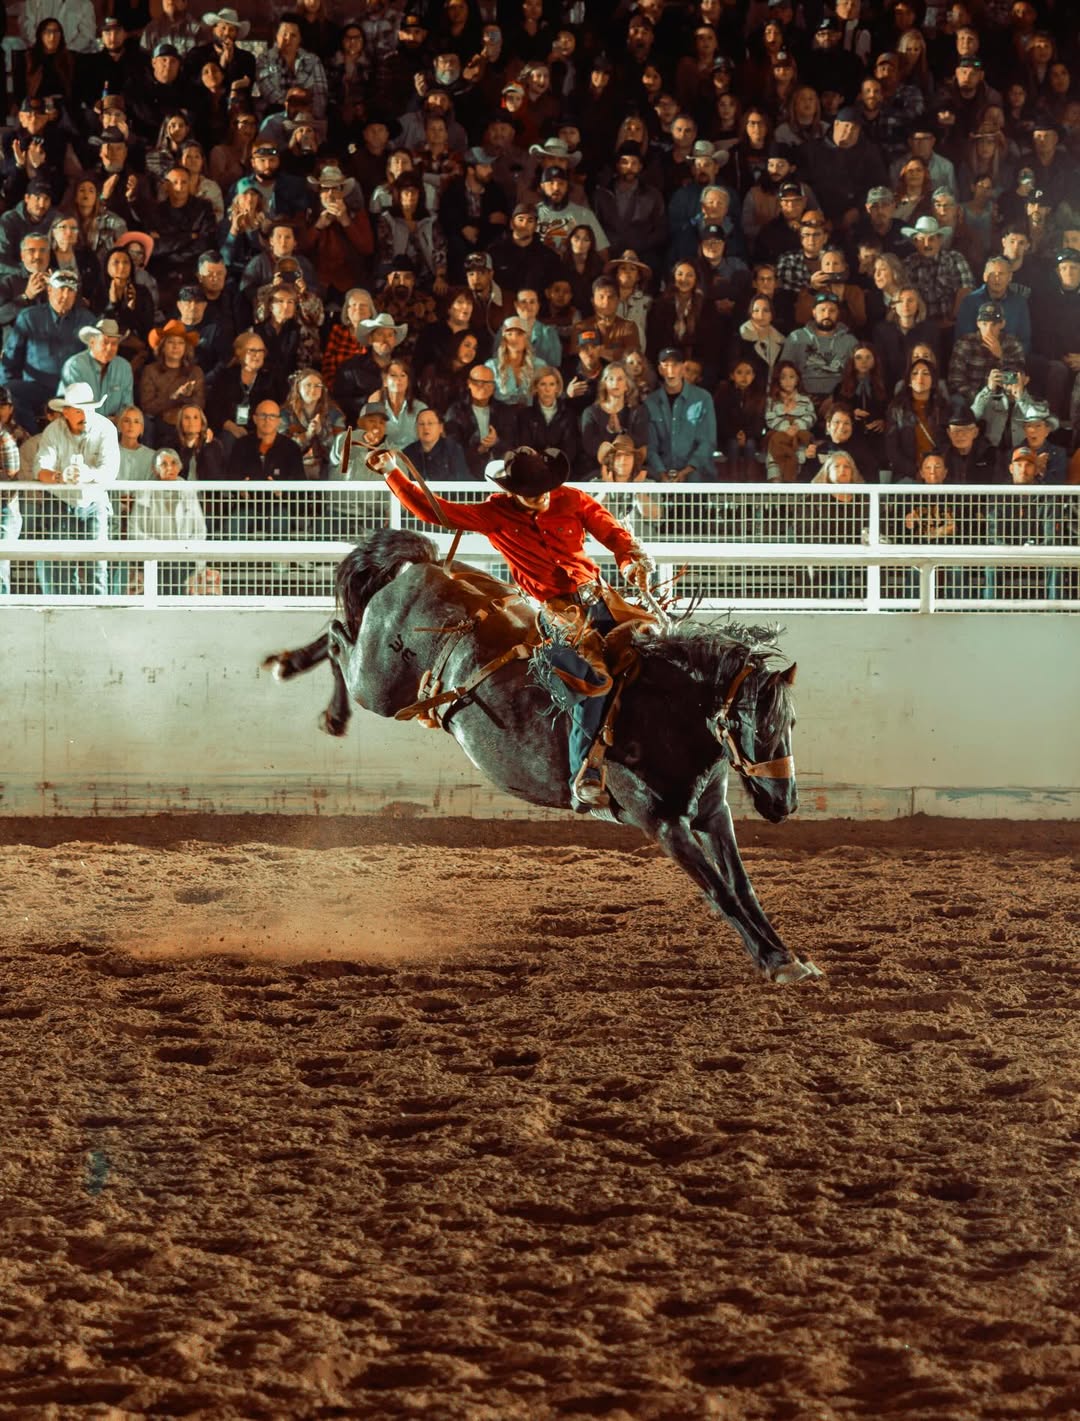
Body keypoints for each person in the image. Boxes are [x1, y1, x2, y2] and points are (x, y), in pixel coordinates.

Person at [376, 444, 654, 808]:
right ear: (512, 492)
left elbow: (612, 531)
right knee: (591, 681)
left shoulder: (572, 500)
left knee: (657, 644)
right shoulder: (496, 514)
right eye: (529, 492)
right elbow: (439, 511)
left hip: (603, 601)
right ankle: (582, 774)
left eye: (543, 489)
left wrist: (629, 559)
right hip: (557, 616)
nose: (539, 498)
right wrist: (391, 473)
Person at [30, 382, 118, 597]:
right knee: (61, 565)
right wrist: (60, 477)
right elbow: (40, 468)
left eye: (89, 409)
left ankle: (98, 615)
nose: (85, 416)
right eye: (79, 411)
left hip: (94, 501)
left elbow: (110, 470)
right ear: (66, 412)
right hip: (61, 502)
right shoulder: (53, 431)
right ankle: (64, 619)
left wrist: (87, 475)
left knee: (96, 564)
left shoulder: (106, 428)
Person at [126, 447, 210, 595]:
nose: (169, 467)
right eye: (163, 464)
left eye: (173, 463)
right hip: (153, 554)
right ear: (154, 469)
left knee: (177, 567)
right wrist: (158, 546)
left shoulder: (188, 490)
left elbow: (200, 529)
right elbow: (134, 530)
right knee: (164, 568)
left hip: (184, 555)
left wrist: (184, 547)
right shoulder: (145, 490)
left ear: (180, 467)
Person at [643, 348, 718, 483]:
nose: (671, 371)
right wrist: (661, 473)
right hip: (661, 471)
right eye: (666, 366)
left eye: (675, 365)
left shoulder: (703, 398)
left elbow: (708, 441)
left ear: (683, 369)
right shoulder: (650, 402)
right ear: (660, 370)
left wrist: (686, 471)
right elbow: (650, 446)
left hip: (695, 471)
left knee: (695, 481)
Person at [57, 318, 134, 421]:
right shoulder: (75, 366)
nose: (109, 348)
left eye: (114, 344)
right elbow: (72, 408)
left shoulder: (124, 367)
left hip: (115, 428)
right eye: (105, 342)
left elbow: (127, 406)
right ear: (92, 342)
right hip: (82, 428)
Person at [401, 408, 470, 480]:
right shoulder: (407, 453)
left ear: (440, 428)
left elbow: (462, 480)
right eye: (421, 424)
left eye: (430, 423)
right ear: (416, 428)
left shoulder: (453, 450)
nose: (426, 427)